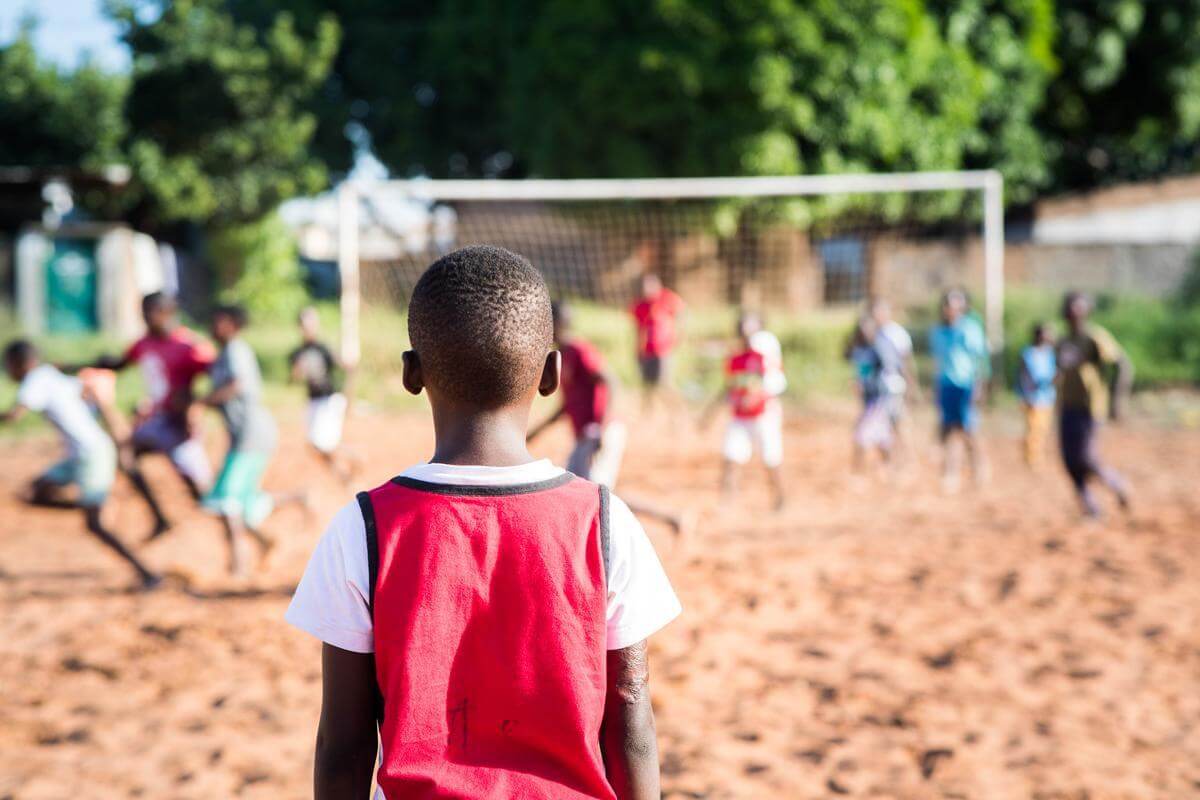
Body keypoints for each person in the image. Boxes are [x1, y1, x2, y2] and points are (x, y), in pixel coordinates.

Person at [287, 246, 680, 799]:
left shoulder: (365, 526)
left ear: (411, 373)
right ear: (551, 375)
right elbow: (631, 723)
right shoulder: (606, 522)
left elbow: (344, 745)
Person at [2, 340, 161, 589]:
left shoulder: (35, 380)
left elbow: (14, 415)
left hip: (92, 453)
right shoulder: (50, 375)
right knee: (33, 491)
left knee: (95, 525)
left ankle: (149, 573)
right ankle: (92, 504)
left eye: (8, 366)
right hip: (80, 454)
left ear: (18, 364)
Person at [528, 301, 690, 537]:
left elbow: (610, 381)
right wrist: (535, 432)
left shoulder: (579, 350)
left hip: (600, 429)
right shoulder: (562, 355)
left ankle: (668, 519)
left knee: (597, 494)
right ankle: (670, 519)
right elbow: (567, 405)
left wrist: (602, 428)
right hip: (586, 434)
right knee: (576, 489)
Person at [76, 292, 215, 538]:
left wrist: (195, 407)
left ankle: (253, 528)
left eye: (149, 312)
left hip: (179, 426)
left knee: (206, 496)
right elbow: (120, 364)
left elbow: (216, 378)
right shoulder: (143, 344)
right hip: (156, 421)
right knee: (126, 455)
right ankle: (159, 517)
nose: (145, 317)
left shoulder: (189, 346)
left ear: (167, 313)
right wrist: (74, 366)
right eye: (143, 312)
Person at [199, 305, 303, 577]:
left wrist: (201, 402)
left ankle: (238, 564)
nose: (213, 324)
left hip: (252, 434)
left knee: (228, 499)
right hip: (241, 436)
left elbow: (238, 385)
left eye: (219, 320)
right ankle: (273, 531)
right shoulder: (223, 354)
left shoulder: (236, 350)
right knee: (239, 502)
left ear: (233, 324)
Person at [1055, 291, 1132, 517]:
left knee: (1085, 457)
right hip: (1067, 406)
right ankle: (1091, 507)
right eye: (1071, 306)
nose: (1074, 311)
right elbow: (1061, 371)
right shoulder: (1063, 341)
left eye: (1079, 306)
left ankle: (1116, 483)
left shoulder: (1094, 337)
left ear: (1087, 310)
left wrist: (1117, 401)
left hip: (1090, 407)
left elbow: (1123, 365)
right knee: (1069, 461)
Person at [702, 311, 785, 510]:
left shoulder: (764, 355)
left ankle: (780, 499)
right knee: (730, 458)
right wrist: (709, 415)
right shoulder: (734, 359)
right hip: (740, 417)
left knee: (771, 459)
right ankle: (726, 502)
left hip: (764, 415)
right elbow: (728, 388)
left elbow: (776, 383)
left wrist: (757, 396)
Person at [928, 289, 990, 491]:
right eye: (948, 305)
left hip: (966, 384)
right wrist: (936, 386)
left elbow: (980, 361)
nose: (952, 310)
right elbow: (938, 362)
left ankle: (979, 467)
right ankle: (951, 473)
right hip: (947, 385)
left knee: (968, 429)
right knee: (949, 429)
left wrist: (979, 387)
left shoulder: (970, 329)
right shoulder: (937, 332)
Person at [289, 306, 357, 483]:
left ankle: (354, 460)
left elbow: (346, 368)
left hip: (328, 399)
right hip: (313, 400)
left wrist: (348, 397)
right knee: (315, 446)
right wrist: (296, 371)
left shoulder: (323, 348)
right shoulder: (298, 352)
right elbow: (292, 379)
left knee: (322, 443)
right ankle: (343, 472)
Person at [629, 273, 685, 414]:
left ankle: (677, 410)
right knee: (647, 385)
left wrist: (677, 338)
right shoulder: (640, 306)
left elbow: (682, 316)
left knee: (664, 384)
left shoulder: (668, 299)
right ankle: (646, 412)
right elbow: (638, 330)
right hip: (646, 352)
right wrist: (637, 350)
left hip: (662, 351)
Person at [868, 298, 919, 454]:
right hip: (881, 386)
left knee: (898, 422)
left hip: (895, 385)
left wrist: (912, 386)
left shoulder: (895, 333)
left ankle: (906, 455)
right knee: (885, 424)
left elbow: (906, 361)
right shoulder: (876, 333)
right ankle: (893, 457)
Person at [845, 314, 894, 471]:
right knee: (881, 436)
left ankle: (857, 471)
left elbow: (887, 369)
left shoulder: (878, 348)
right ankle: (889, 465)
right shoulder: (859, 350)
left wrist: (868, 384)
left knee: (860, 435)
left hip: (877, 398)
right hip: (867, 400)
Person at [1017, 322, 1057, 468]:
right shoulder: (1028, 354)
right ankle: (1031, 459)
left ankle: (1036, 455)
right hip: (1033, 397)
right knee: (1033, 429)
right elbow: (1025, 377)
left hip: (1047, 397)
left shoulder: (1050, 353)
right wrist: (1023, 395)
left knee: (1043, 428)